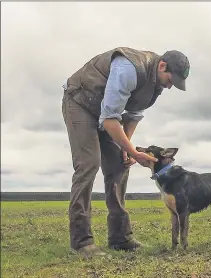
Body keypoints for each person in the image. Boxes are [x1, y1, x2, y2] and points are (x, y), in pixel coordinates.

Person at [61, 47, 190, 257]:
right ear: (163, 66)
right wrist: (134, 152)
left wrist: (127, 149)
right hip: (80, 103)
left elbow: (133, 115)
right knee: (89, 164)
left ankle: (120, 238)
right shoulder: (129, 68)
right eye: (171, 79)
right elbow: (111, 118)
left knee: (120, 165)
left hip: (105, 112)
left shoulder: (155, 87)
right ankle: (81, 241)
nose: (170, 86)